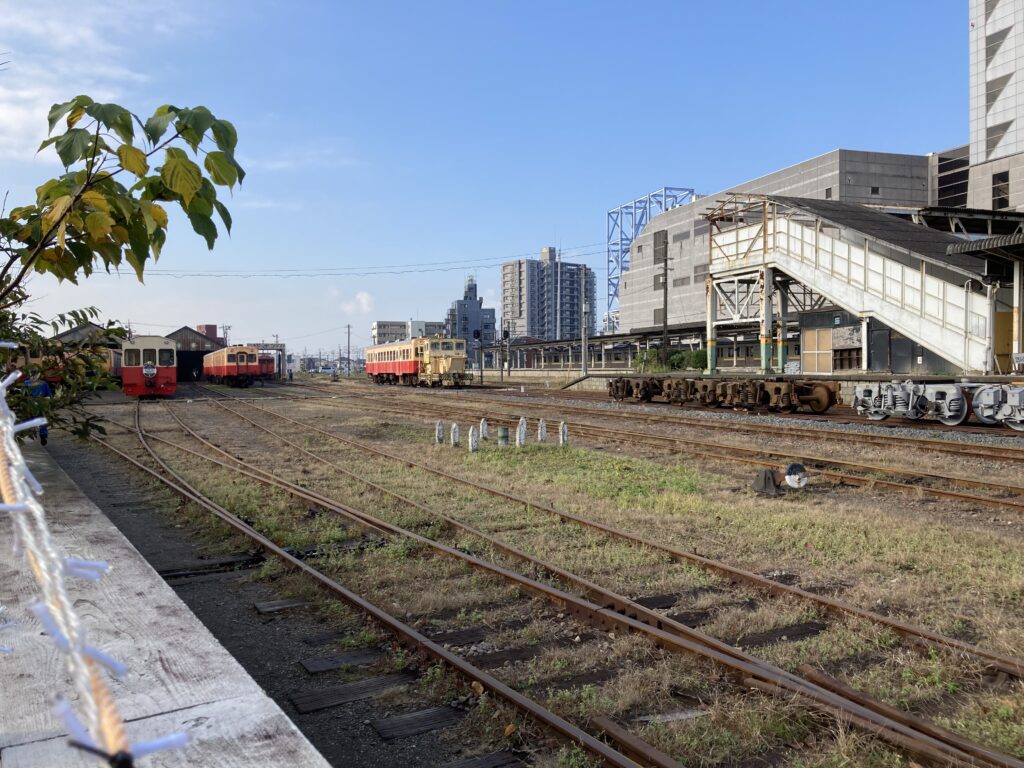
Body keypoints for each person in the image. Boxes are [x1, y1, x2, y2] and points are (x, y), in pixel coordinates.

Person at [25, 375, 53, 446]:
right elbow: (49, 395)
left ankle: (30, 433)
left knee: (29, 419)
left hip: (30, 403)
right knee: (41, 419)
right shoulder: (43, 383)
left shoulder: (26, 383)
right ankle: (43, 435)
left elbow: (23, 394)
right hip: (41, 403)